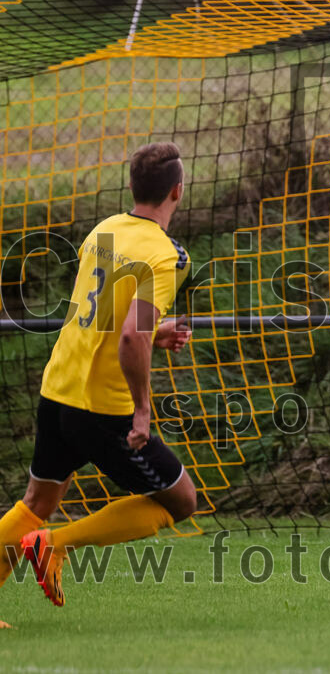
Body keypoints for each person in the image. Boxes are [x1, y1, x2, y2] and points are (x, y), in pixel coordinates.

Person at [0, 142, 195, 624]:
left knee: (37, 501)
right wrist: (143, 409)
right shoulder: (166, 256)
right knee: (180, 500)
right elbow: (130, 336)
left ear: (132, 187)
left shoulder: (103, 231)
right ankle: (52, 546)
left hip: (59, 389)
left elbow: (107, 318)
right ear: (177, 191)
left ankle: (41, 537)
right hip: (102, 409)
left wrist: (155, 331)